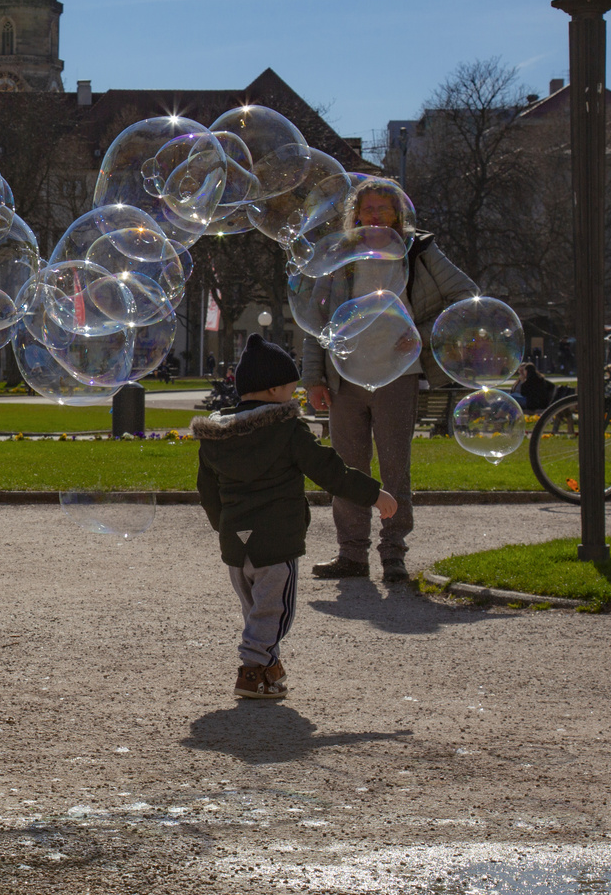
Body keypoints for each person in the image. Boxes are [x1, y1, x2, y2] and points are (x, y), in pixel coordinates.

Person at [192, 334, 396, 699]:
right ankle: (253, 672)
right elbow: (330, 471)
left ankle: (266, 669)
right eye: (291, 388)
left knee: (257, 610)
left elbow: (207, 492)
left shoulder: (217, 436)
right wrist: (374, 495)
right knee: (277, 611)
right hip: (275, 540)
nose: (295, 395)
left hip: (236, 542)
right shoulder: (287, 430)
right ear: (273, 390)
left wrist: (224, 526)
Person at [302, 181, 477, 583]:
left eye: (385, 208)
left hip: (399, 374)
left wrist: (421, 330)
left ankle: (393, 554)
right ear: (356, 214)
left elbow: (465, 294)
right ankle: (351, 555)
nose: (377, 215)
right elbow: (316, 322)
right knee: (348, 469)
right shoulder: (342, 256)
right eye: (369, 209)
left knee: (396, 468)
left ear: (398, 214)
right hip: (344, 377)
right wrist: (313, 378)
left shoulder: (418, 251)